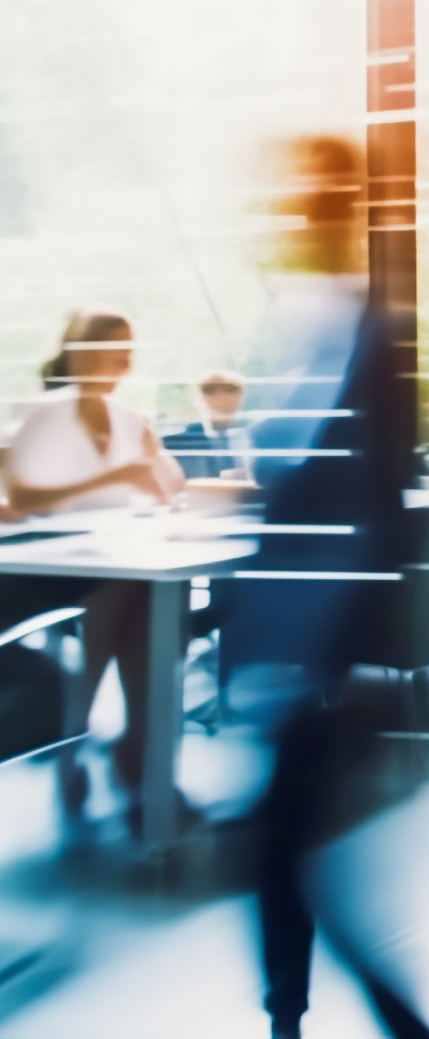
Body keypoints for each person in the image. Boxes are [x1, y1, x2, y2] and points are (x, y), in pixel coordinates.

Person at [222, 134, 429, 1039]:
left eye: (312, 199)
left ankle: (320, 1017)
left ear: (345, 209)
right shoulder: (298, 331)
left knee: (289, 854)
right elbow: (293, 487)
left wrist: (353, 655)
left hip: (329, 645)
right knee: (288, 853)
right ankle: (294, 1014)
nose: (295, 216)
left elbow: (388, 496)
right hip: (283, 635)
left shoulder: (375, 333)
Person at [1, 309, 188, 831]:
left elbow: (169, 486)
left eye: (125, 354)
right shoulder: (43, 412)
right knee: (128, 591)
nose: (117, 364)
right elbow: (22, 496)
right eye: (107, 352)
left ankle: (104, 743)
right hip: (46, 561)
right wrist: (115, 473)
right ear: (77, 354)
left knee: (145, 594)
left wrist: (153, 455)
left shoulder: (128, 418)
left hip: (111, 557)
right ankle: (119, 750)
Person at [163, 369, 252, 480]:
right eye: (210, 391)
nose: (220, 398)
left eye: (228, 407)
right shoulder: (175, 444)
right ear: (199, 400)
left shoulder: (254, 440)